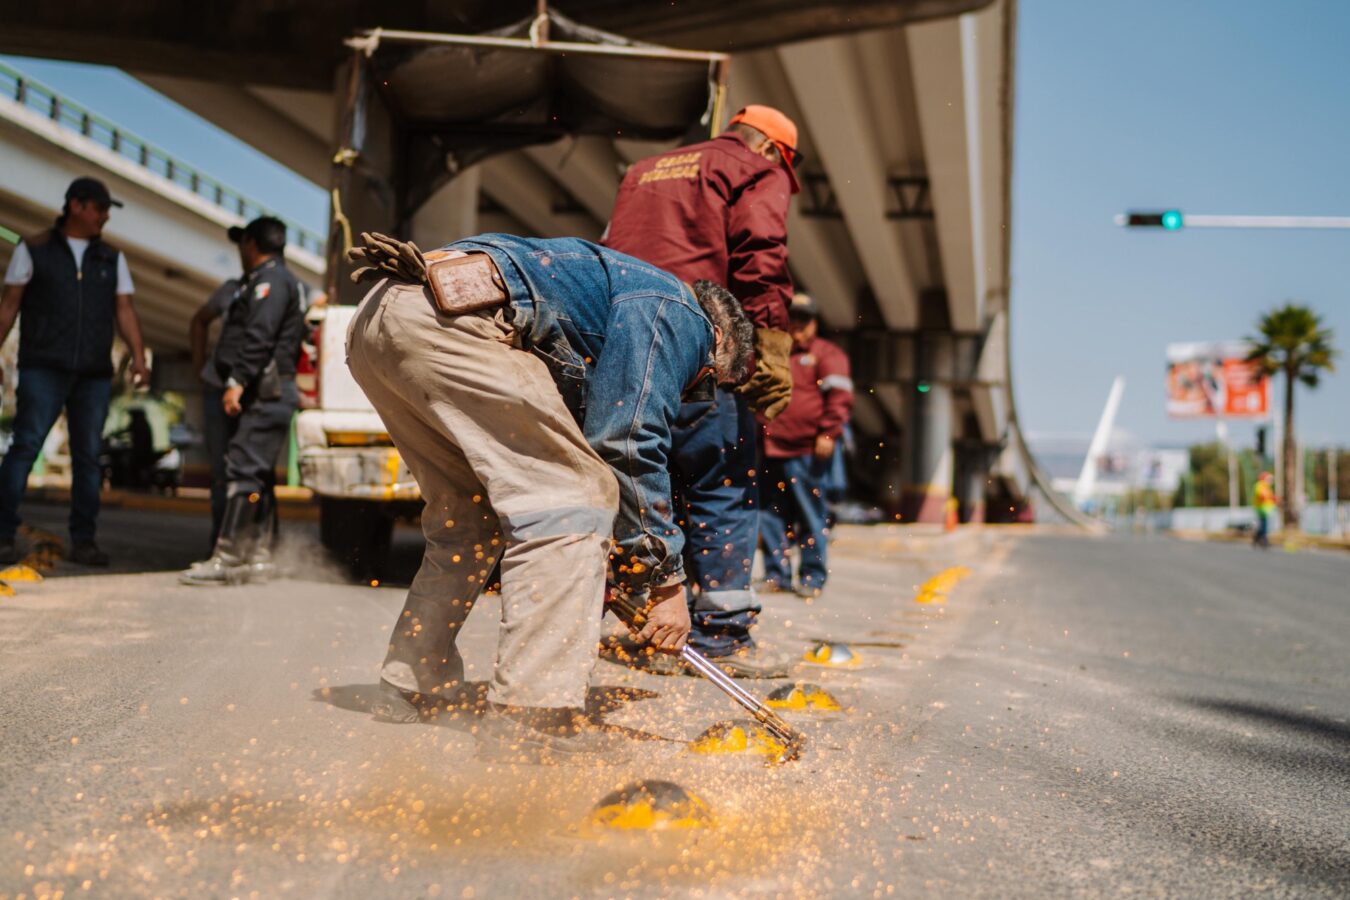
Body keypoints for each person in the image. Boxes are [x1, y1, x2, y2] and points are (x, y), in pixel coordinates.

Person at [343, 231, 753, 762]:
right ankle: (531, 719)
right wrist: (667, 581)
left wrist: (602, 566)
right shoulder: (678, 310)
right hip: (453, 322)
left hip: (382, 322)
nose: (689, 392)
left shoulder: (610, 299)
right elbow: (625, 441)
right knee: (576, 498)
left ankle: (411, 680)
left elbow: (576, 436)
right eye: (703, 381)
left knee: (470, 518)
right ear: (718, 338)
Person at [602, 104, 801, 677]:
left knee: (644, 484)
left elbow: (613, 249)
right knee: (723, 482)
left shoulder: (643, 169)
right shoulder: (753, 169)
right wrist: (768, 343)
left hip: (622, 345)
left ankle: (648, 630)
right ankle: (721, 637)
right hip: (698, 342)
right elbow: (760, 255)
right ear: (771, 149)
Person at [0, 176, 150, 566]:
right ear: (77, 206)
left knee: (89, 457)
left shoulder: (112, 258)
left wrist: (139, 357)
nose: (104, 218)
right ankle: (1, 533)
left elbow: (125, 309)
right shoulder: (33, 249)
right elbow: (8, 305)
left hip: (93, 373)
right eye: (100, 209)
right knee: (24, 448)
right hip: (43, 367)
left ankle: (84, 540)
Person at [180, 218, 304, 585]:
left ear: (251, 243)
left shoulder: (272, 281)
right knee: (256, 475)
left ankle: (229, 558)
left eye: (241, 244)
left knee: (243, 472)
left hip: (265, 391)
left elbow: (259, 335)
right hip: (266, 391)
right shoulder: (267, 281)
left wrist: (235, 382)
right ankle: (262, 556)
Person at [758, 293, 854, 597]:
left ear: (814, 323)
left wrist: (828, 433)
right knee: (771, 515)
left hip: (807, 450)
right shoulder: (776, 351)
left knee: (810, 514)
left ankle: (812, 577)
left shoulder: (826, 354)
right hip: (771, 447)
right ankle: (777, 575)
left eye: (804, 319)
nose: (798, 324)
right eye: (793, 318)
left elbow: (840, 398)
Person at [188, 277, 241, 548]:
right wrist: (199, 366)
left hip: (250, 392)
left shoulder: (278, 286)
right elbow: (199, 320)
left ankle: (248, 542)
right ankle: (219, 542)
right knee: (220, 471)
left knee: (248, 471)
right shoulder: (232, 288)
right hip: (217, 388)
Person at [1253, 470, 1277, 549]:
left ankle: (1257, 538)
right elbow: (1262, 496)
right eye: (1269, 479)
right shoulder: (1260, 485)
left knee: (1263, 525)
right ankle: (1263, 540)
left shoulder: (1266, 487)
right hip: (1262, 509)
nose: (1270, 481)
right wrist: (1270, 498)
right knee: (1264, 525)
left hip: (1266, 510)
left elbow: (1270, 497)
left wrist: (1275, 499)